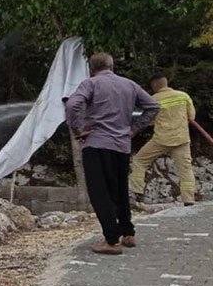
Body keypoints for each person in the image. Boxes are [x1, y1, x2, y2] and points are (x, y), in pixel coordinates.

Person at [64, 52, 159, 255]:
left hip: (96, 144)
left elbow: (72, 105)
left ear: (92, 69)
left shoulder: (90, 84)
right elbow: (153, 106)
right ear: (112, 66)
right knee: (119, 190)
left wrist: (78, 129)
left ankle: (111, 241)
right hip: (121, 146)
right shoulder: (130, 85)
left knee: (100, 194)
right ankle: (128, 233)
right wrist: (134, 128)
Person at [129, 71, 197, 206]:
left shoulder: (152, 99)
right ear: (166, 82)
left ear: (155, 85)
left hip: (161, 140)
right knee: (186, 169)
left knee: (139, 161)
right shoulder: (183, 96)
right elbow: (192, 117)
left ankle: (137, 191)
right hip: (181, 139)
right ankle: (188, 199)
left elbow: (149, 120)